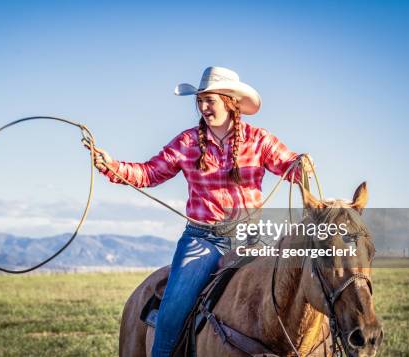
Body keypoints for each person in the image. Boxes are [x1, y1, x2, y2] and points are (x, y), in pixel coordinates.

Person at [83, 66, 313, 357]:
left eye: (210, 100)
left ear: (230, 101)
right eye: (200, 101)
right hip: (202, 240)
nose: (203, 107)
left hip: (252, 240)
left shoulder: (259, 140)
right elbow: (150, 173)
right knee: (172, 313)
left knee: (295, 293)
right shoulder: (188, 143)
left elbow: (289, 165)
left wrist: (301, 165)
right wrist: (111, 166)